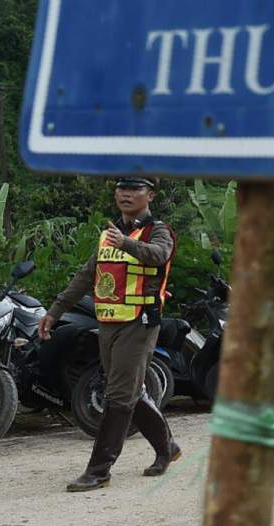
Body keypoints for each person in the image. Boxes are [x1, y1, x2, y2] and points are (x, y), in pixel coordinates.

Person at [37, 177, 181, 492]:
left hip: (139, 322)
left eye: (135, 189)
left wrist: (126, 243)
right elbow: (87, 276)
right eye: (121, 189)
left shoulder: (159, 230)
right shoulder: (108, 235)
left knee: (117, 395)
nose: (126, 194)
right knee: (130, 391)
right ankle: (167, 447)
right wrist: (55, 311)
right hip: (109, 322)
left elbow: (159, 255)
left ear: (150, 195)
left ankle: (99, 470)